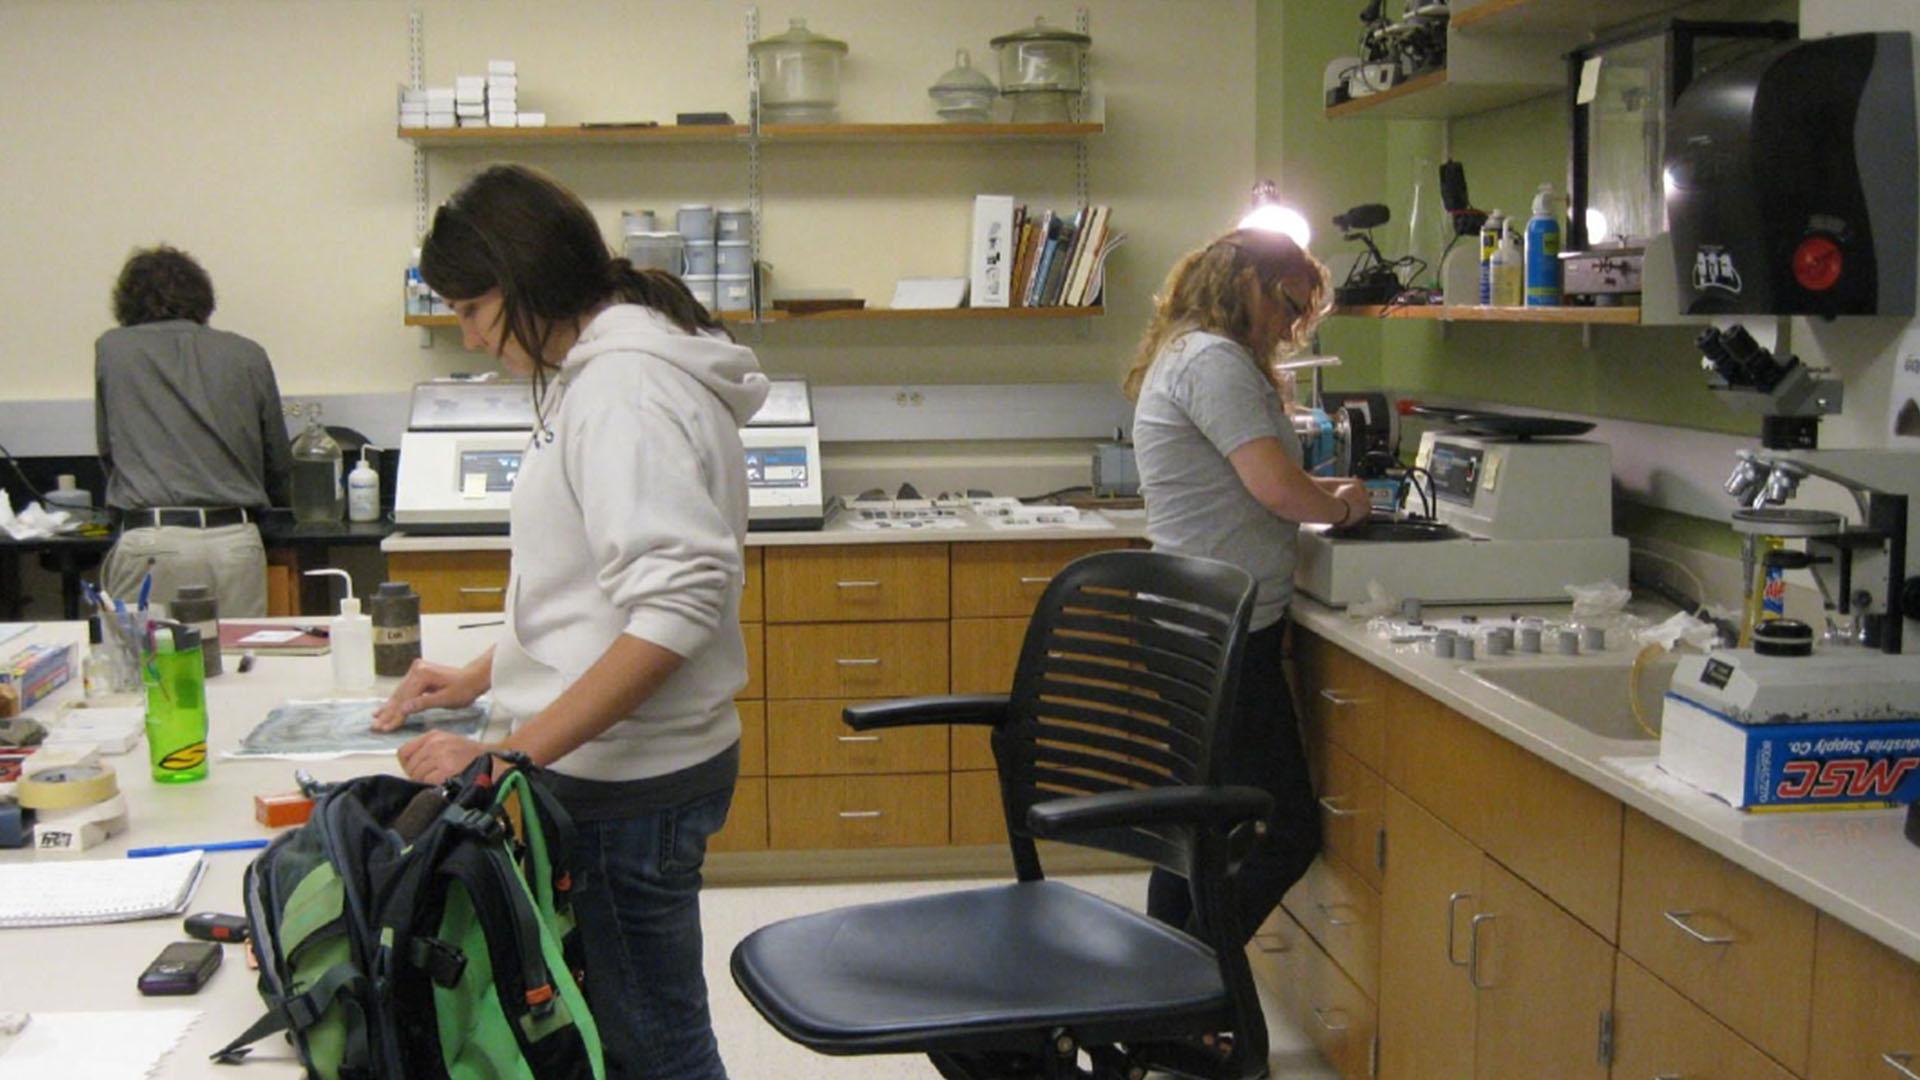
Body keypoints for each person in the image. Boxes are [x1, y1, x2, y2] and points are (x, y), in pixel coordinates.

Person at [372, 163, 766, 1080]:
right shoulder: (603, 372)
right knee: (613, 1032)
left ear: (528, 281)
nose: (469, 335)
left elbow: (674, 606)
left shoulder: (623, 390)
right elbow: (589, 586)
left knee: (652, 1046)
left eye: (473, 309)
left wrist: (509, 755)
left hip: (629, 783)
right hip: (624, 768)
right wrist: (484, 675)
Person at [1123, 226, 1371, 946]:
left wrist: (1322, 491)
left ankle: (1161, 995)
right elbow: (1273, 489)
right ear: (1249, 286)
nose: (1293, 327)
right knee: (1287, 827)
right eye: (1291, 305)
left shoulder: (1190, 351)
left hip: (1192, 619)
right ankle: (1196, 981)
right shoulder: (1215, 361)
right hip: (1217, 629)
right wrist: (1344, 507)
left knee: (1199, 817)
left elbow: (1256, 482)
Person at [94, 245, 293, 616]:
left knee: (143, 668)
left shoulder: (113, 350)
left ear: (127, 301)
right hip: (236, 539)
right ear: (203, 297)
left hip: (153, 535)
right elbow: (276, 457)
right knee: (243, 665)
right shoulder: (247, 353)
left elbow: (109, 448)